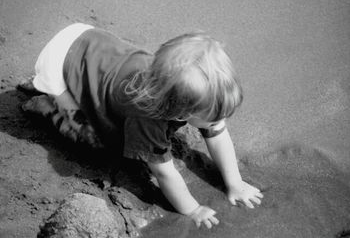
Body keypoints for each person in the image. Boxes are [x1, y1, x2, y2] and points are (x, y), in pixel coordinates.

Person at [20, 23, 263, 229]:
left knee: (99, 91)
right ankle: (47, 102)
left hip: (88, 41)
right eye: (213, 116)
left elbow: (217, 134)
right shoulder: (149, 120)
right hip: (62, 62)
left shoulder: (170, 79)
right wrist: (193, 209)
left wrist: (235, 183)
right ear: (181, 111)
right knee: (92, 140)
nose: (219, 121)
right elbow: (163, 172)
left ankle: (50, 85)